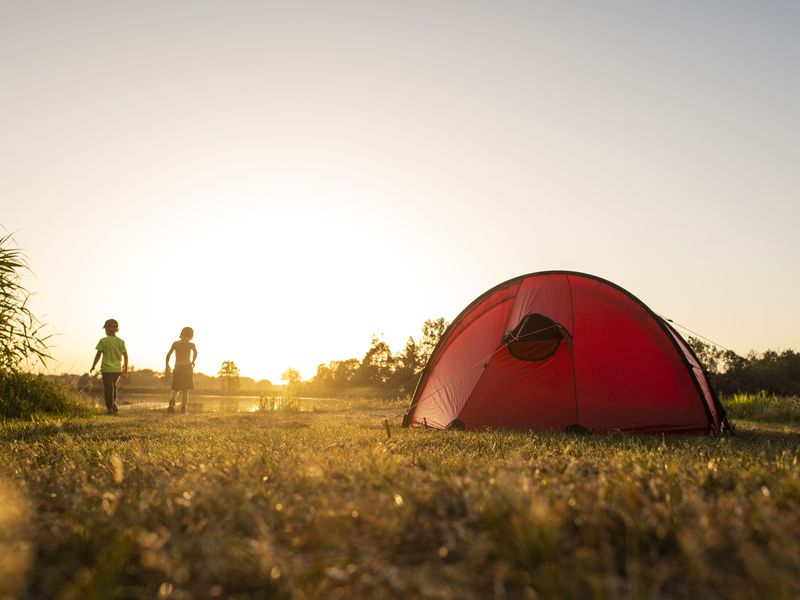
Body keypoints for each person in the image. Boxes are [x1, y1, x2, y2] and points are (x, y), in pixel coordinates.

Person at [90, 318, 128, 414]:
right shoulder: (121, 342)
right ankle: (113, 403)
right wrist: (125, 369)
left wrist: (93, 365)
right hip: (117, 369)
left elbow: (98, 355)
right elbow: (126, 355)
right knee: (113, 387)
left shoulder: (103, 341)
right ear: (116, 329)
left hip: (106, 369)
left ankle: (109, 408)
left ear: (107, 330)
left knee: (108, 388)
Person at [165, 326, 197, 414]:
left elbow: (168, 355)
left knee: (175, 389)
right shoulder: (191, 345)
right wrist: (193, 361)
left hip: (177, 368)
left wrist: (167, 366)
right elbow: (195, 352)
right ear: (191, 336)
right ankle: (183, 409)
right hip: (187, 368)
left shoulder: (175, 344)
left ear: (181, 334)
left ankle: (171, 405)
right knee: (185, 391)